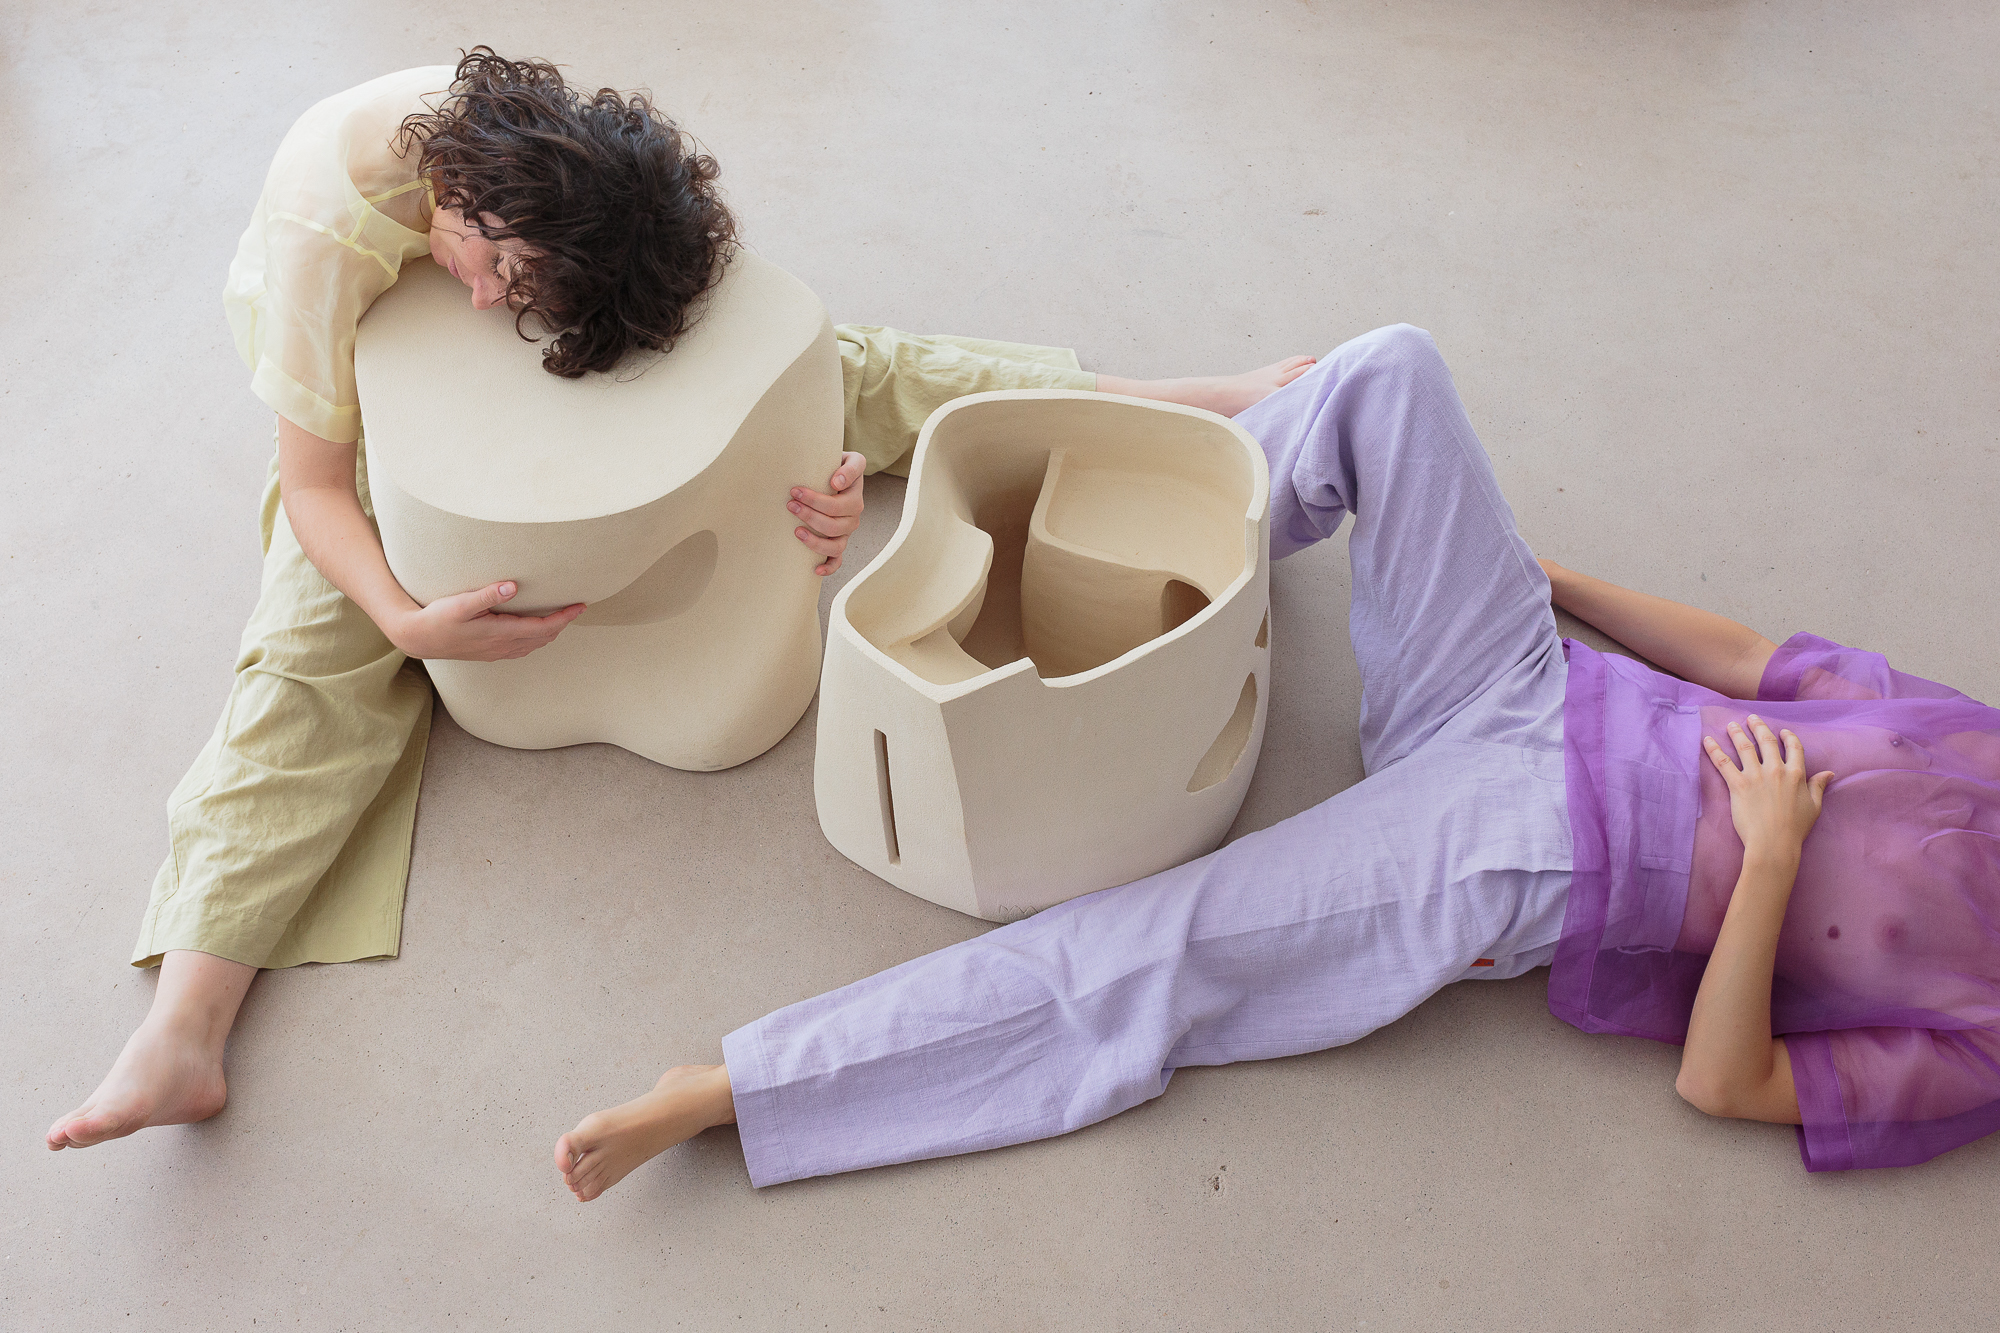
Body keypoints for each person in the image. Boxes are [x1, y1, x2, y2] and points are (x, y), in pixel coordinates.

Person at [46, 49, 1316, 1153]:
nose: (483, 299)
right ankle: (187, 1025)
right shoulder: (327, 233)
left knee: (859, 367)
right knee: (310, 645)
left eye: (510, 282)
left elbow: (742, 344)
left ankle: (1187, 405)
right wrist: (397, 615)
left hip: (554, 267)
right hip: (376, 402)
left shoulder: (579, 172)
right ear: (471, 198)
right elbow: (318, 485)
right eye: (492, 267)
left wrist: (809, 460)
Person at [551, 322, 2000, 1200]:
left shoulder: (1979, 1045)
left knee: (1155, 951)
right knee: (1390, 377)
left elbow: (1727, 1082)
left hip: (1534, 852)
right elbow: (1755, 661)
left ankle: (748, 1085)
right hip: (1531, 683)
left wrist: (1774, 857)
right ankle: (1186, 583)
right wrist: (1535, 575)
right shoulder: (1978, 740)